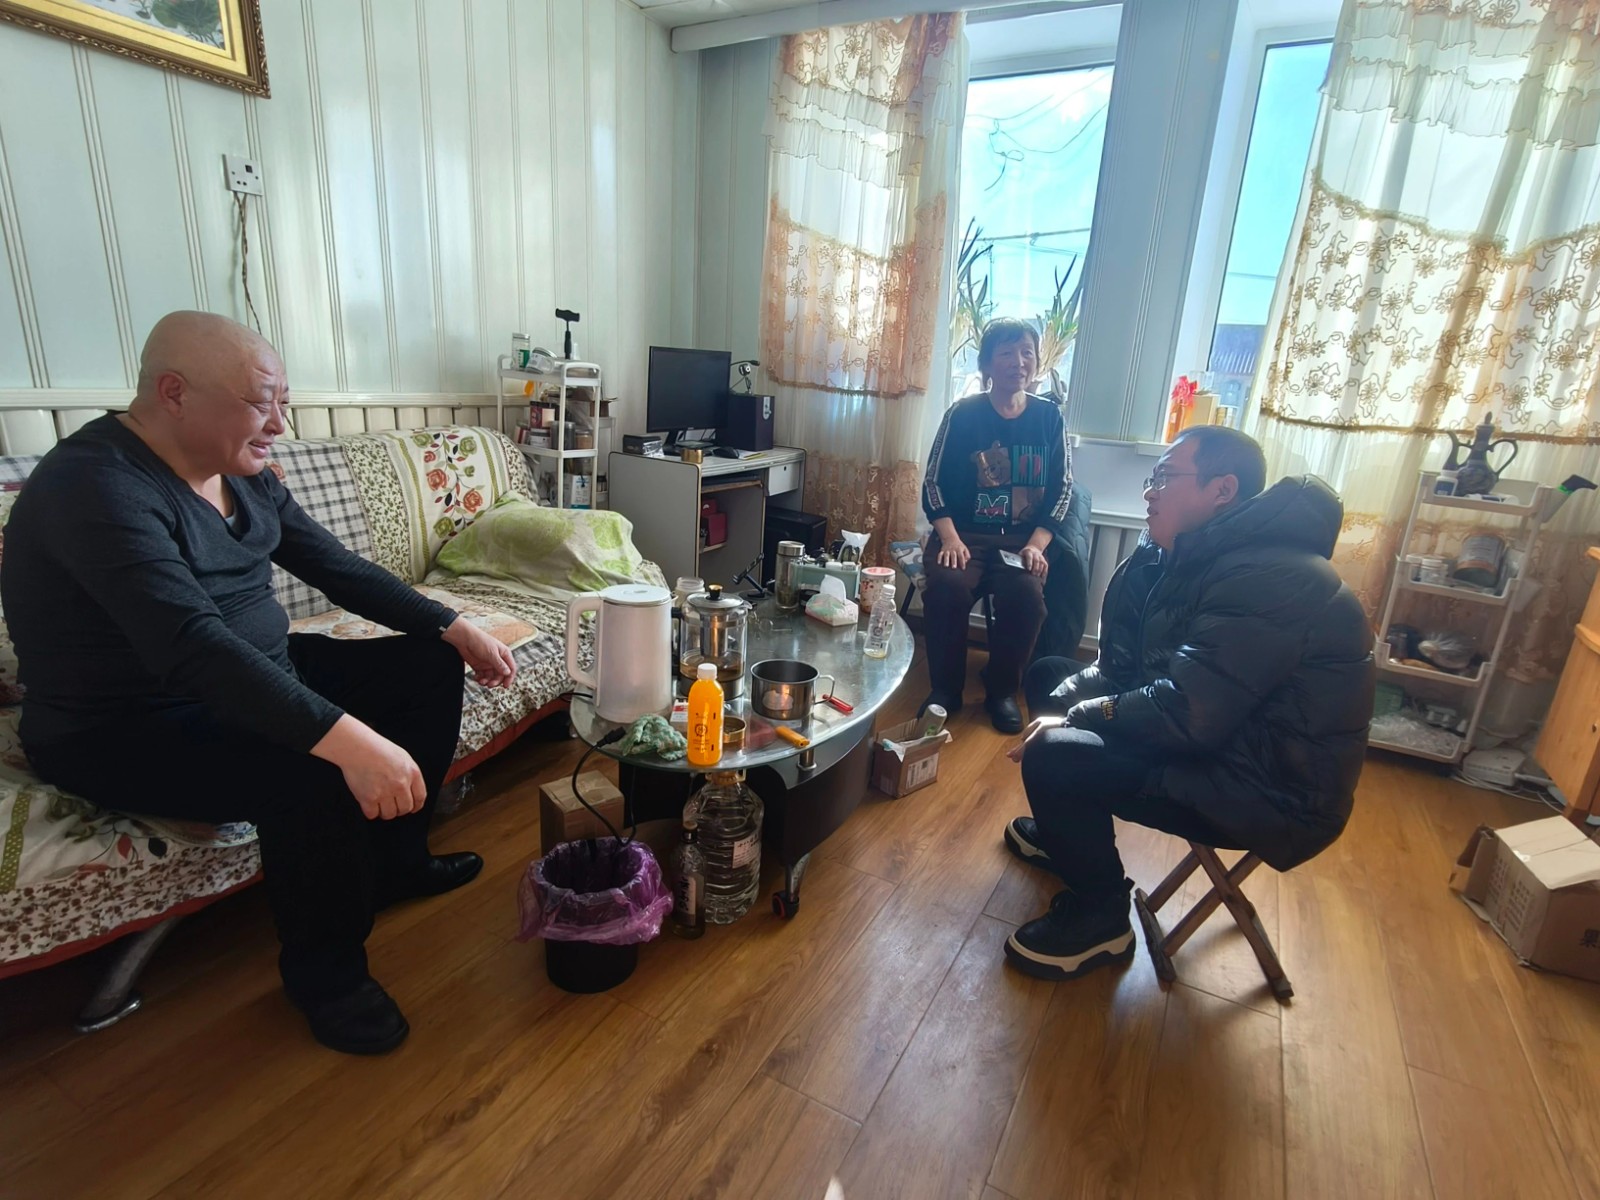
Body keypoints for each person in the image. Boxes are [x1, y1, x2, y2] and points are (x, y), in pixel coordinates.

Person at [0, 311, 519, 1054]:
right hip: (126, 723)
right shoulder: (93, 486)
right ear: (173, 393)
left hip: (255, 672)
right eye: (261, 402)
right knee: (314, 768)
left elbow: (336, 566)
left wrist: (452, 626)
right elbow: (192, 647)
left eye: (284, 402)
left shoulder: (241, 471)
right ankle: (327, 978)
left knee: (426, 664)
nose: (280, 423)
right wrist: (349, 742)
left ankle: (395, 863)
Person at [999, 425, 1374, 981]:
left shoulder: (1272, 576)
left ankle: (1103, 917)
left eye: (1164, 477)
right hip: (1214, 738)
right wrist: (1069, 703)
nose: (1149, 491)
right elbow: (1119, 666)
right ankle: (1069, 839)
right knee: (1051, 677)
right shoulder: (1164, 553)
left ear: (1222, 490)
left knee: (1056, 750)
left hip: (1264, 786)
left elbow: (1187, 713)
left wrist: (1075, 718)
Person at [920, 318, 1073, 733]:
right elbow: (933, 482)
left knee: (1027, 597)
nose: (1018, 362)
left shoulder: (1049, 418)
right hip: (962, 536)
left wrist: (1037, 545)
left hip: (1021, 541)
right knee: (948, 588)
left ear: (1037, 362)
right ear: (987, 364)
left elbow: (1062, 488)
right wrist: (949, 538)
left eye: (1026, 353)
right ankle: (945, 690)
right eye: (1006, 353)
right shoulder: (962, 414)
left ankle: (1002, 691)